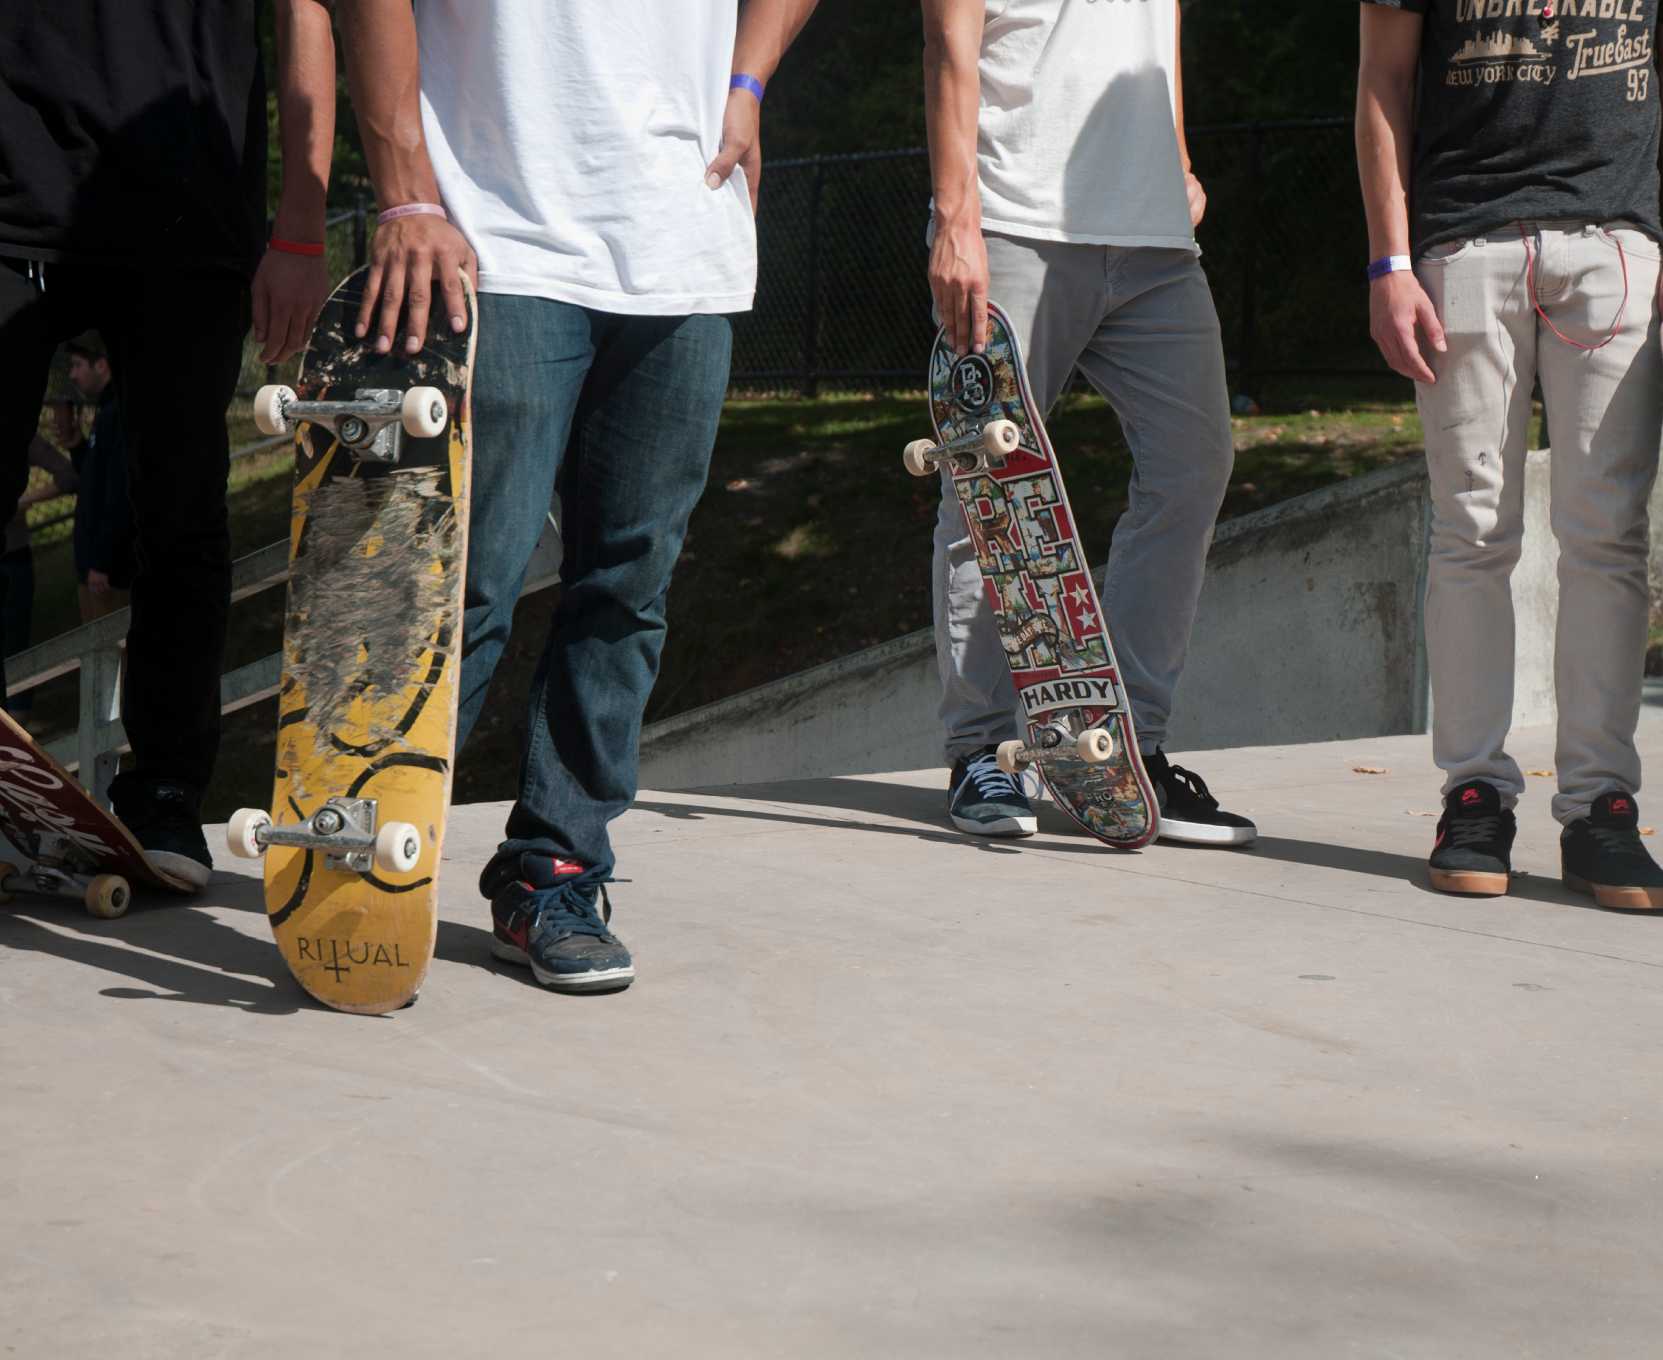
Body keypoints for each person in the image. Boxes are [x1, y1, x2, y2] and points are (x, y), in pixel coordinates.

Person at [336, 0, 821, 992]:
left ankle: (553, 869)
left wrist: (748, 82)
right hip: (492, 235)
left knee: (626, 586)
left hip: (682, 239)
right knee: (456, 578)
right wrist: (402, 197)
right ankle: (355, 841)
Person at [1354, 0, 1663, 909]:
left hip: (1618, 245)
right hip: (1464, 246)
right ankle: (1474, 797)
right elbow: (1382, 80)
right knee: (1472, 534)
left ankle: (1603, 808)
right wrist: (1388, 262)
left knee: (1602, 538)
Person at [0, 0, 337, 885]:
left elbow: (308, 10)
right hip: (15, 175)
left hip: (189, 200)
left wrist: (303, 224)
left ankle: (164, 796)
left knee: (181, 517)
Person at [921, 0, 1256, 847]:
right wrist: (958, 217)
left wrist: (1176, 149)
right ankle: (980, 751)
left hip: (1152, 237)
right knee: (987, 484)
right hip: (1013, 216)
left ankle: (1127, 751)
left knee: (1194, 465)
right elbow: (949, 40)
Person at [56, 335, 136, 624]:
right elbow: (96, 481)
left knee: (110, 653)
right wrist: (78, 446)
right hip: (97, 568)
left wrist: (101, 562)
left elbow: (118, 493)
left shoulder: (116, 413)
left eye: (77, 365)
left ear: (101, 365)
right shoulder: (105, 411)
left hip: (109, 573)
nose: (72, 374)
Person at [3, 419, 80, 717]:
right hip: (13, 558)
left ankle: (16, 732)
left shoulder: (16, 429)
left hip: (13, 557)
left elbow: (68, 475)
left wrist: (21, 502)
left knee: (16, 643)